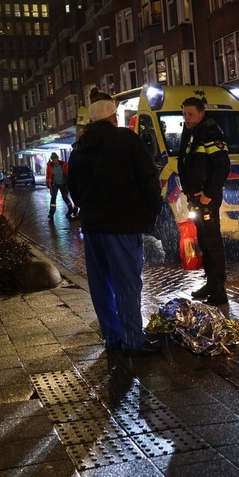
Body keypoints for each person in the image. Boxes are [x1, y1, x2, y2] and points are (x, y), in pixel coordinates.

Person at [67, 89, 163, 356]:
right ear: (113, 115)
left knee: (101, 284)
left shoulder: (79, 148)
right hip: (122, 224)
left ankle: (113, 337)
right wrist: (151, 212)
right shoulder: (126, 140)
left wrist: (89, 209)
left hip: (93, 225)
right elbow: (148, 178)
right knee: (127, 283)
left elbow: (73, 189)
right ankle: (134, 340)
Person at [177, 96, 231, 306]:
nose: (187, 118)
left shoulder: (210, 133)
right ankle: (211, 283)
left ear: (201, 113)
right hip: (198, 198)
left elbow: (222, 166)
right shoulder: (191, 132)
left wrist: (209, 193)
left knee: (212, 242)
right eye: (185, 114)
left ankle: (219, 290)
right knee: (205, 242)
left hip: (207, 198)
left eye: (190, 114)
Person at [45, 152, 77, 219]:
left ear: (57, 159)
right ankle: (51, 213)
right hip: (55, 183)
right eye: (53, 160)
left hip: (63, 183)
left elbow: (67, 173)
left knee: (65, 197)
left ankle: (70, 208)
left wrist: (69, 181)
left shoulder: (64, 164)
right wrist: (48, 183)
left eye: (55, 160)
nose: (54, 161)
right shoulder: (50, 166)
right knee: (53, 197)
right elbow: (48, 175)